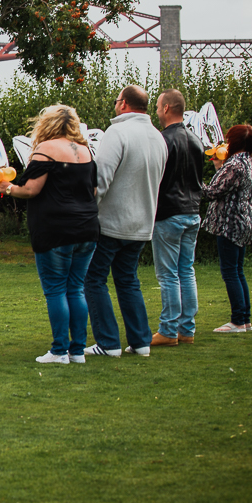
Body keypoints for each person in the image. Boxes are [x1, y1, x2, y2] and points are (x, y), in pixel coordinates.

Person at [0, 105, 100, 364]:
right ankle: (77, 352)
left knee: (55, 290)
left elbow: (30, 190)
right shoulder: (86, 151)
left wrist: (8, 188)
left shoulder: (45, 150)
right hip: (87, 228)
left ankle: (58, 351)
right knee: (76, 289)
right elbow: (95, 191)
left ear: (48, 124)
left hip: (55, 230)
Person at [83, 85, 167, 357]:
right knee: (128, 280)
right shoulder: (158, 137)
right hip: (142, 223)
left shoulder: (117, 132)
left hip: (112, 221)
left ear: (124, 105)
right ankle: (141, 342)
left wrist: (87, 214)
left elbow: (102, 178)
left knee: (93, 279)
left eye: (117, 100)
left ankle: (108, 342)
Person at [150, 90, 205, 347]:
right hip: (192, 212)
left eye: (159, 106)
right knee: (186, 271)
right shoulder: (195, 140)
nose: (157, 111)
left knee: (168, 275)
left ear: (168, 107)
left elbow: (157, 178)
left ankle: (168, 330)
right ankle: (187, 329)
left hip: (169, 212)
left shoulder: (163, 140)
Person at [203, 124, 252, 333]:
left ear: (234, 142)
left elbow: (212, 192)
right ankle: (244, 319)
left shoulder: (234, 165)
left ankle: (237, 320)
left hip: (229, 223)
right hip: (246, 222)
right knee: (238, 271)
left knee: (230, 272)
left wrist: (193, 182)